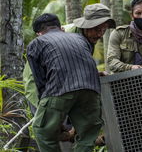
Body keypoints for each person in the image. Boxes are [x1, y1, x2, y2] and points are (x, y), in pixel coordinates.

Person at [27, 10, 115, 151]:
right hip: (91, 89)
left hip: (60, 89)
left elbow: (41, 82)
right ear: (60, 28)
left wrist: (49, 113)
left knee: (42, 131)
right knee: (87, 136)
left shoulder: (36, 43)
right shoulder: (80, 39)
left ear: (39, 33)